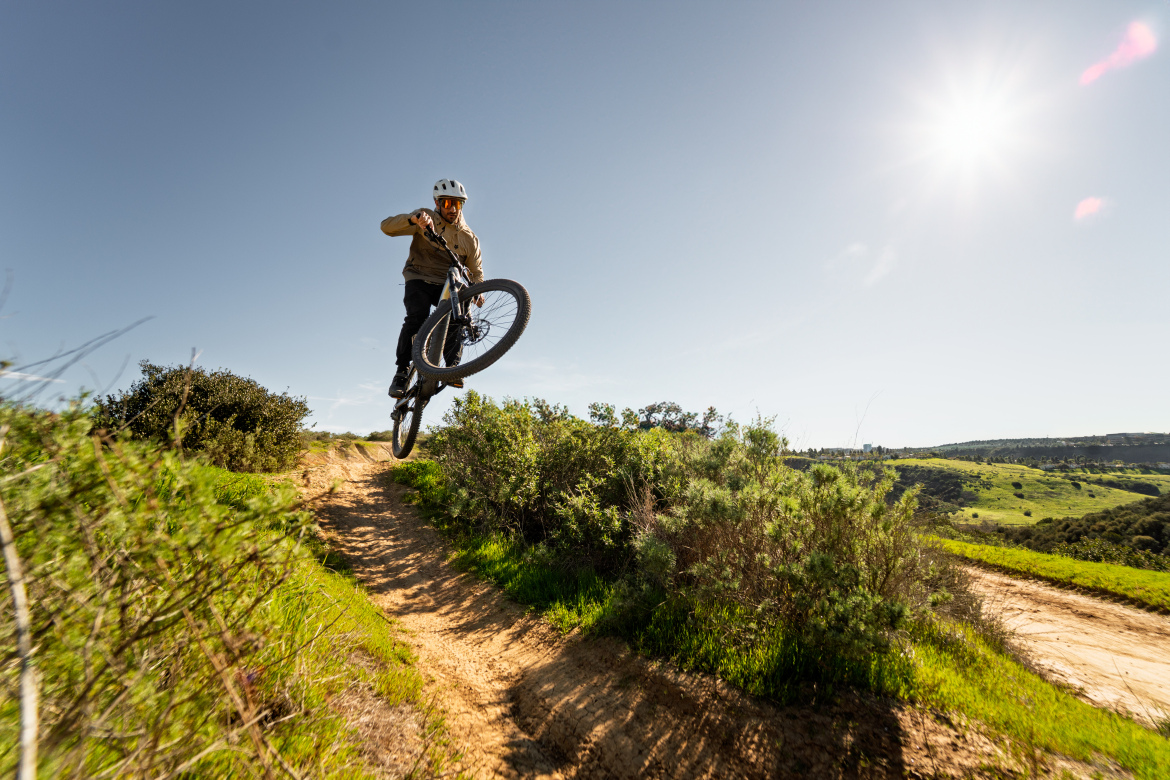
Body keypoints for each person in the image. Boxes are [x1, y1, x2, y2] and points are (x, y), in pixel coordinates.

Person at [381, 179, 484, 398]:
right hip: (419, 276)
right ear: (437, 203)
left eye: (457, 204)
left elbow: (476, 270)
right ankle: (401, 371)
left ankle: (451, 368)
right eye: (447, 203)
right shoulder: (425, 217)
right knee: (416, 316)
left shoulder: (469, 239)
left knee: (460, 316)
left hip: (447, 284)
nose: (453, 209)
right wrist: (413, 220)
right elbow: (387, 227)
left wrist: (479, 290)